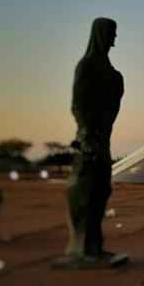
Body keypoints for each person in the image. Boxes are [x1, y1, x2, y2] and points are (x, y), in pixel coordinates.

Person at [56, 18, 127, 269]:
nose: (114, 38)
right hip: (89, 141)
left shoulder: (113, 75)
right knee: (83, 192)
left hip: (103, 141)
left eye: (115, 34)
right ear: (99, 35)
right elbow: (78, 104)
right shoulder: (86, 67)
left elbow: (112, 108)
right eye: (110, 33)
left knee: (100, 192)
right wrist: (86, 135)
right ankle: (81, 248)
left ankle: (93, 247)